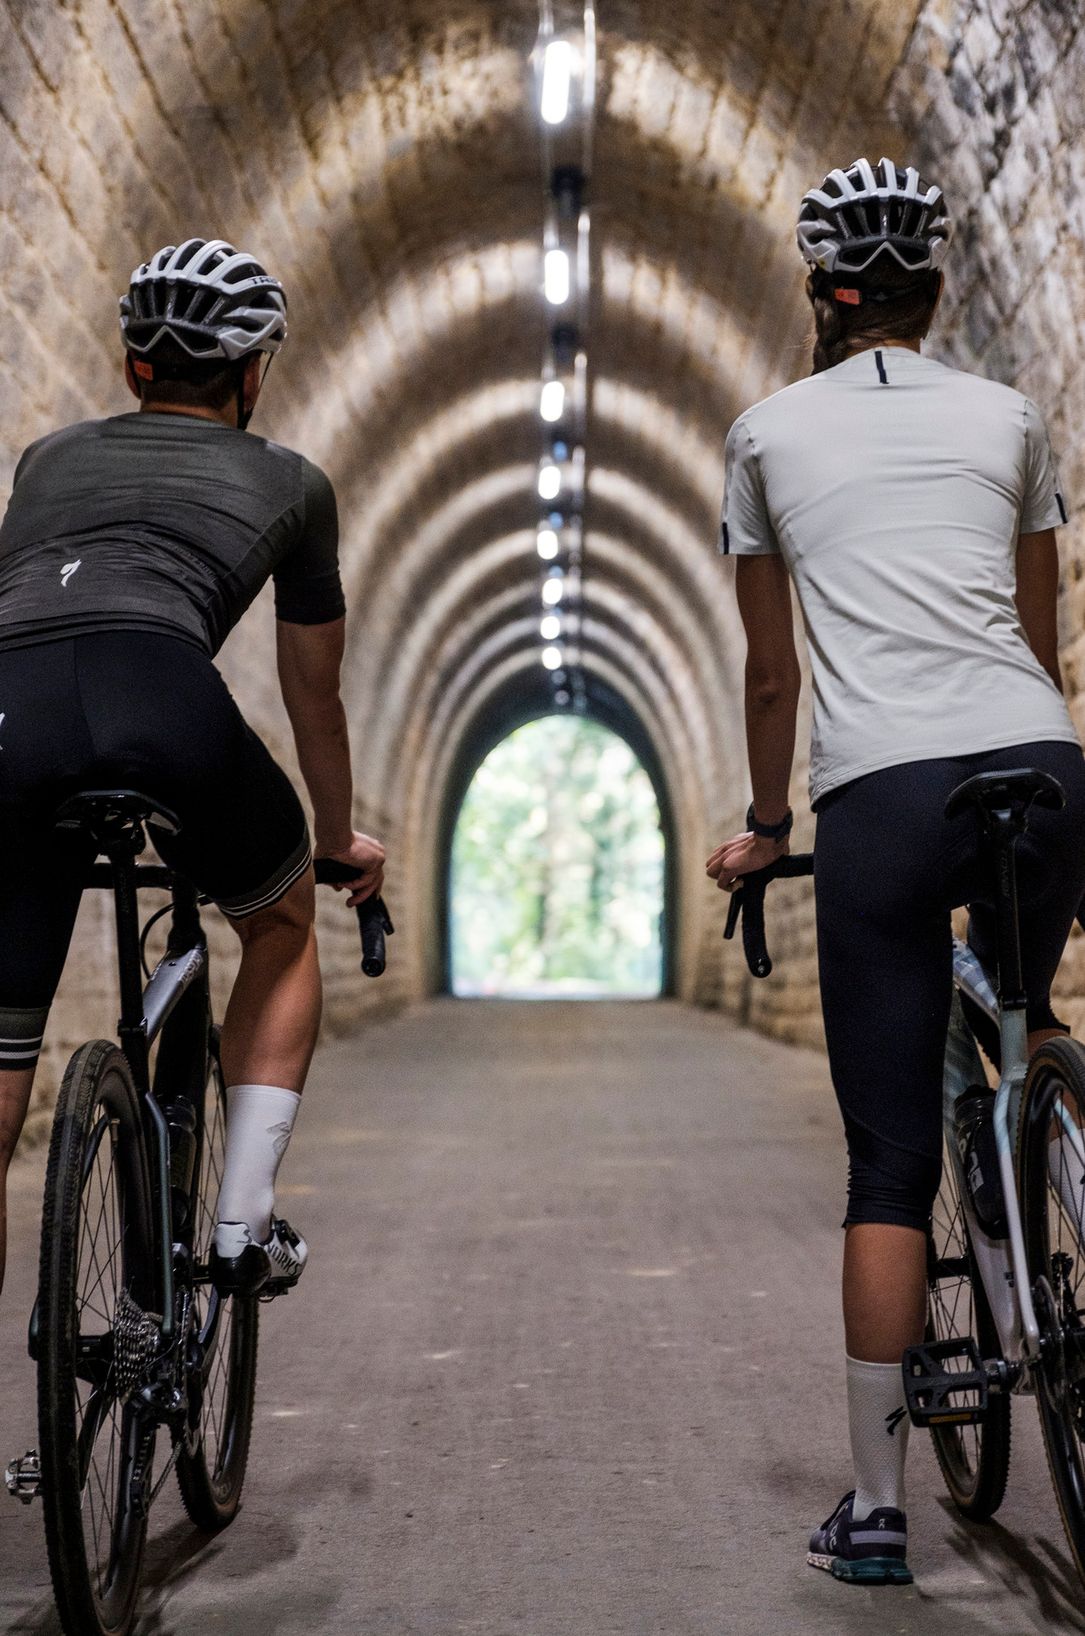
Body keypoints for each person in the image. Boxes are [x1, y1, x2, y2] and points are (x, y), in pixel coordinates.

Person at [706, 157, 1085, 1584]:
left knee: (883, 1165)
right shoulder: (1010, 415)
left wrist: (763, 818)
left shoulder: (762, 432)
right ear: (938, 291)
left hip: (878, 788)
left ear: (822, 293)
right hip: (1035, 768)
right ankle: (1042, 1108)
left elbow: (766, 668)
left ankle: (875, 1514)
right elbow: (1037, 644)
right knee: (1021, 998)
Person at [0, 238, 385, 1299]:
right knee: (281, 919)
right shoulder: (293, 484)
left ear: (133, 368)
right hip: (158, 695)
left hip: (9, 710)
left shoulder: (46, 458)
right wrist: (337, 835)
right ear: (253, 373)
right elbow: (314, 694)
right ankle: (238, 1224)